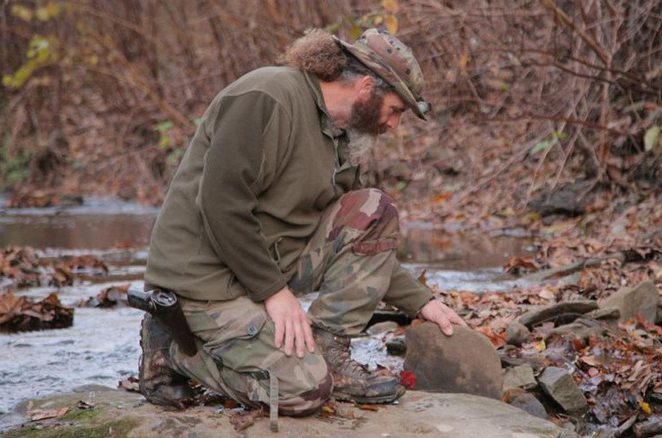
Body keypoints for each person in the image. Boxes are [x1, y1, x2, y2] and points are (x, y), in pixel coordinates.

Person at [139, 28, 465, 431]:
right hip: (204, 279)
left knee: (373, 208)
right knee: (305, 392)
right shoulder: (267, 96)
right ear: (366, 87)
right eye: (395, 110)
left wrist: (420, 301)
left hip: (266, 266)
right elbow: (220, 205)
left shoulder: (341, 136)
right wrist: (273, 293)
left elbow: (355, 236)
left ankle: (329, 352)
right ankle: (173, 348)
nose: (394, 125)